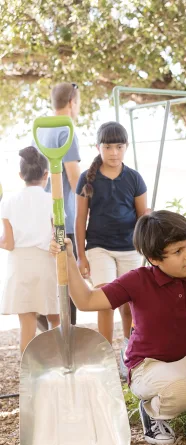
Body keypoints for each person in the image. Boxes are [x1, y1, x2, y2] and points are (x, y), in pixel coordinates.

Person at [50, 210, 186, 445]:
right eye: (178, 251)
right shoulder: (137, 281)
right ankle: (151, 411)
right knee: (184, 391)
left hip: (185, 362)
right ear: (154, 259)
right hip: (146, 368)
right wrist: (69, 258)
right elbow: (87, 300)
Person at [75, 121, 148, 348]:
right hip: (99, 247)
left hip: (130, 248)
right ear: (98, 148)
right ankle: (105, 354)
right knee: (104, 301)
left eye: (118, 146)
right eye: (108, 147)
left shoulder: (134, 178)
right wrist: (81, 256)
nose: (114, 152)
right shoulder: (87, 179)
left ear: (126, 147)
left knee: (129, 305)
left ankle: (130, 353)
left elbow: (142, 219)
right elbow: (80, 220)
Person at [0, 147, 59, 353]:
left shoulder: (8, 202)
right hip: (46, 264)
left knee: (28, 327)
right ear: (46, 175)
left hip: (19, 267)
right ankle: (59, 368)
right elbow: (58, 237)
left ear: (20, 176)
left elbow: (8, 243)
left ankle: (28, 375)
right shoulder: (53, 201)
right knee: (55, 321)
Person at [35, 82, 81, 329]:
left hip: (45, 215)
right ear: (72, 102)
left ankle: (52, 329)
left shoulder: (41, 129)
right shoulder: (66, 128)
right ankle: (67, 333)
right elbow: (75, 181)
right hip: (65, 217)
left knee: (51, 276)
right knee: (68, 275)